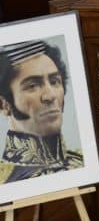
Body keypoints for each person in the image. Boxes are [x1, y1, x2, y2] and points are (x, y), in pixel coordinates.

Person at [0, 40, 83, 184]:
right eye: (32, 85)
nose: (50, 96)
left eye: (54, 81)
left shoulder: (82, 162)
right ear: (3, 105)